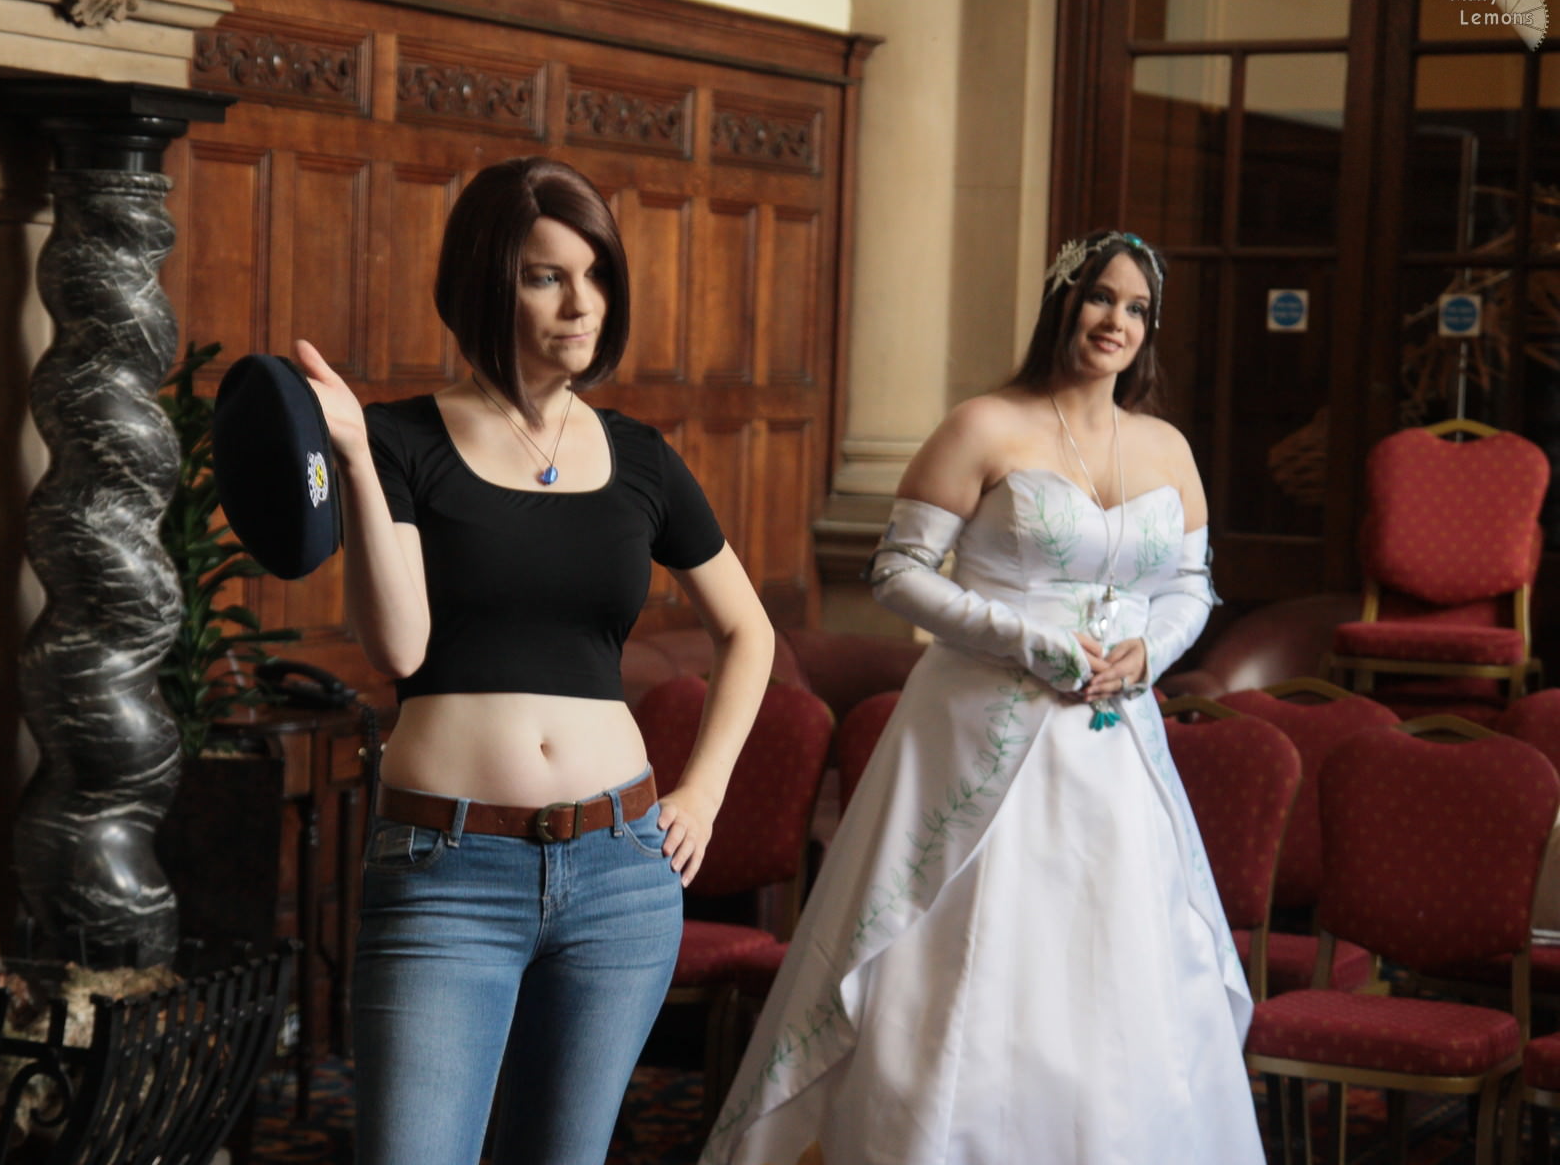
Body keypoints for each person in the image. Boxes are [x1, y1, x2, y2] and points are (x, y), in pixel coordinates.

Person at [703, 231, 1263, 1164]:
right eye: (1100, 297)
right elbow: (897, 572)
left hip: (1115, 740)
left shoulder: (1166, 446)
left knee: (1120, 959)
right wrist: (1028, 640)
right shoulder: (983, 425)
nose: (1116, 321)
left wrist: (1149, 652)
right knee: (971, 953)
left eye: (1136, 308)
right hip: (981, 731)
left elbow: (1190, 586)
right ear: (1062, 301)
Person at [296, 155, 775, 1165]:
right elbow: (400, 646)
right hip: (447, 870)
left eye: (595, 275)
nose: (580, 303)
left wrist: (703, 795)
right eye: (545, 276)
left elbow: (749, 632)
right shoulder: (398, 440)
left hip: (620, 872)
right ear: (487, 283)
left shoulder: (641, 458)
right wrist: (355, 463)